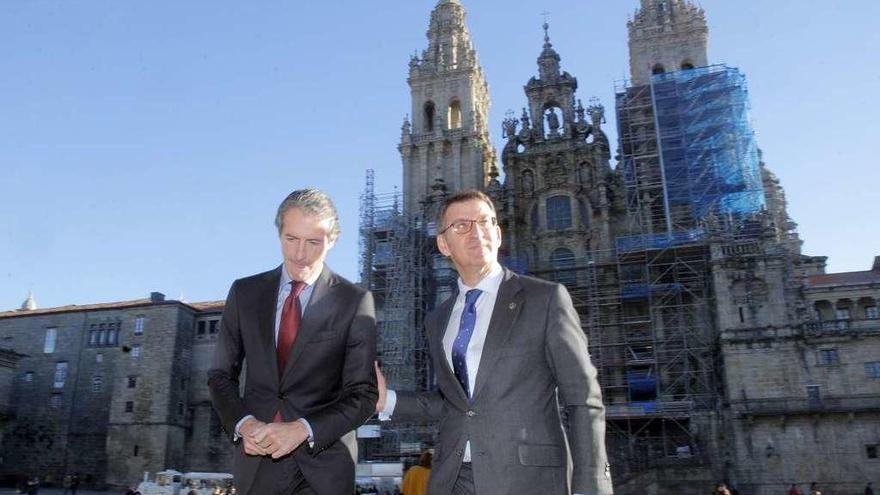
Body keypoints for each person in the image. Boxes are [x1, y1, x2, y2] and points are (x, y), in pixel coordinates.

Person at [376, 190, 612, 495]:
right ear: (443, 244)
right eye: (462, 225)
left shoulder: (545, 298)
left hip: (526, 480)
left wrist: (591, 486)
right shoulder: (438, 320)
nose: (477, 231)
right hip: (452, 478)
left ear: (498, 234)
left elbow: (584, 398)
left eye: (485, 222)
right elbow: (457, 404)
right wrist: (388, 401)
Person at [209, 188, 378, 495]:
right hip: (257, 458)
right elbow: (220, 376)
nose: (300, 253)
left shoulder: (354, 301)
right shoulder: (245, 293)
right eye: (291, 239)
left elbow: (363, 395)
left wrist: (302, 429)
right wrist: (244, 423)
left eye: (314, 242)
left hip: (324, 465)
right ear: (279, 234)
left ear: (333, 240)